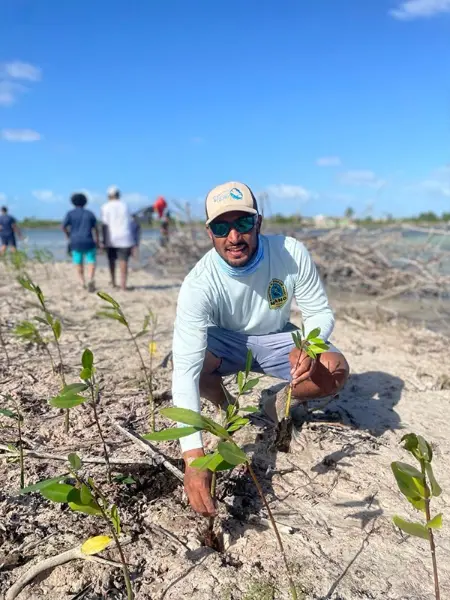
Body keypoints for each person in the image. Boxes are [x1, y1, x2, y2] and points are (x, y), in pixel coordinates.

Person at [172, 181, 350, 516]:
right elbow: (183, 370)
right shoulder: (198, 283)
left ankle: (276, 402)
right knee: (190, 365)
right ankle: (228, 409)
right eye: (222, 227)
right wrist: (193, 455)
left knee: (335, 370)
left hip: (277, 337)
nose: (234, 237)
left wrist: (309, 345)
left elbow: (319, 311)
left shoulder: (290, 252)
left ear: (259, 223)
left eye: (243, 224)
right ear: (209, 232)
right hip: (225, 340)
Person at [62, 193, 99, 291]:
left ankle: (82, 282)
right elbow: (96, 228)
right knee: (91, 260)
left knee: (78, 262)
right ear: (85, 202)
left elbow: (63, 227)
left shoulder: (70, 213)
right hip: (88, 240)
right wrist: (98, 240)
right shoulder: (90, 213)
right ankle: (91, 278)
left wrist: (68, 235)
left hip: (75, 240)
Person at [101, 186, 135, 290]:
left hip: (111, 237)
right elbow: (131, 222)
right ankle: (123, 285)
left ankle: (113, 282)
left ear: (108, 196)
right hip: (125, 236)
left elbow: (104, 224)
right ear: (118, 195)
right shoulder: (125, 206)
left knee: (111, 260)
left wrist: (103, 241)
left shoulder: (105, 207)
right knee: (123, 260)